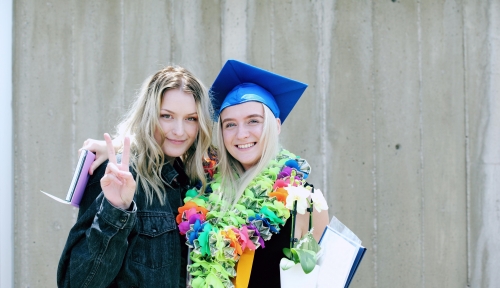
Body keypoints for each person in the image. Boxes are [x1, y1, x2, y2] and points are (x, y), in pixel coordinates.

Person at [176, 60, 330, 288]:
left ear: (276, 126)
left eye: (253, 121)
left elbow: (320, 279)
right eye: (230, 125)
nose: (241, 134)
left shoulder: (304, 201)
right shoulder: (203, 191)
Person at [57, 65, 213, 288]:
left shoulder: (195, 181)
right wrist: (115, 209)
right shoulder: (116, 175)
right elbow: (76, 284)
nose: (180, 131)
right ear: (149, 115)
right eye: (167, 116)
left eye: (191, 118)